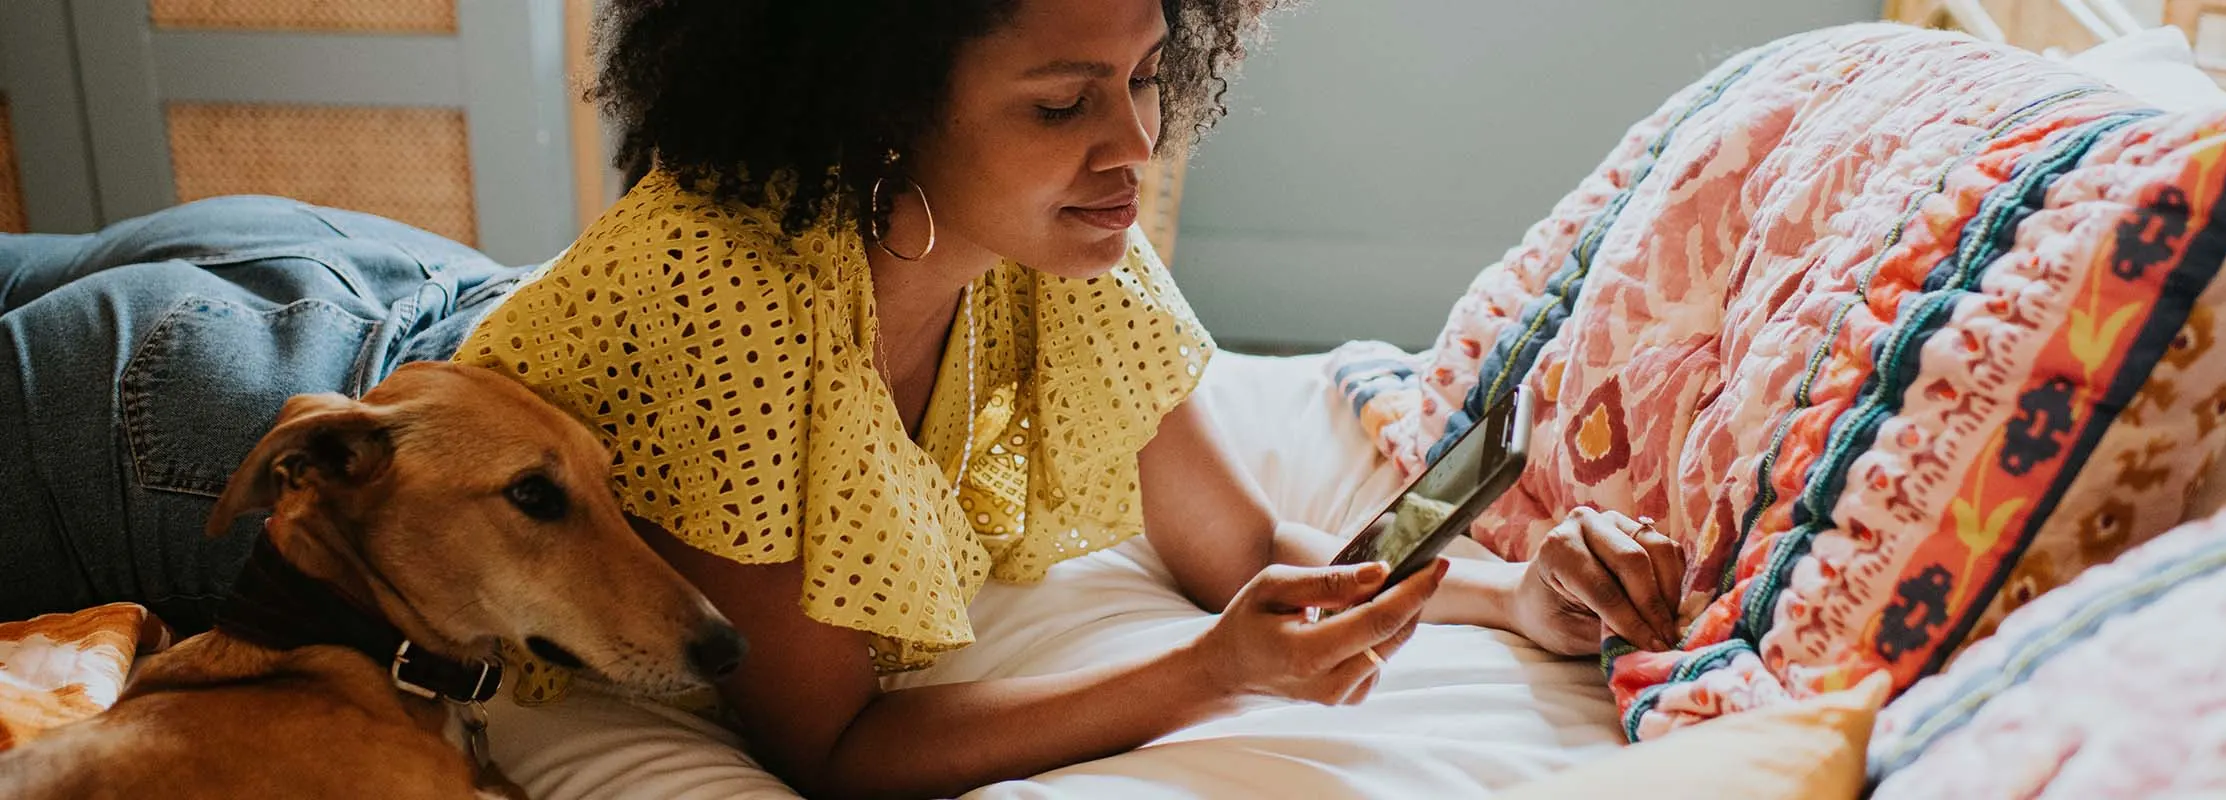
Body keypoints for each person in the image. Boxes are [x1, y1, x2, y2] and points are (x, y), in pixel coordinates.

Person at [0, 1, 1687, 796]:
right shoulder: (734, 302)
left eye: (1145, 82)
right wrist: (1205, 676)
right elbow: (834, 746)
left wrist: (1506, 591)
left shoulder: (1067, 245)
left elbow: (1238, 541)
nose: (1132, 147)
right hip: (200, 416)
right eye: (1059, 102)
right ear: (878, 106)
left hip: (402, 299)